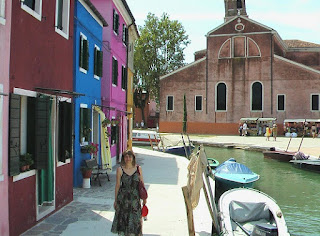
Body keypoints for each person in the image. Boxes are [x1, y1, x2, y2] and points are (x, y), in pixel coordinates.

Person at [111, 150, 146, 235]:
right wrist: (115, 200)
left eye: (130, 156)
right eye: (126, 156)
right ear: (123, 158)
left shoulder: (138, 169)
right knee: (124, 221)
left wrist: (144, 198)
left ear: (133, 158)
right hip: (123, 199)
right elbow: (118, 185)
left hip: (135, 199)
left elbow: (142, 183)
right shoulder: (120, 170)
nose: (128, 158)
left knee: (136, 221)